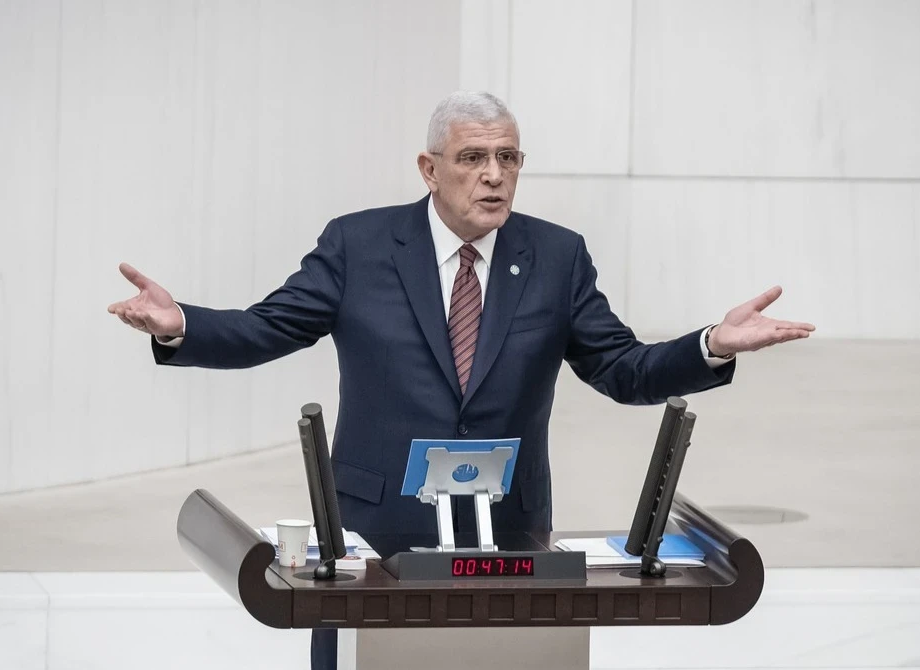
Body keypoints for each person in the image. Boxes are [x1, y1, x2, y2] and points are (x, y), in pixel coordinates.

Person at [108, 91, 814, 668]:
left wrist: (709, 345)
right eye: (473, 158)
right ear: (429, 168)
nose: (494, 175)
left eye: (508, 158)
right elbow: (268, 328)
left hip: (510, 533)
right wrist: (181, 325)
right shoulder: (358, 245)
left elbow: (622, 369)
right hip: (376, 532)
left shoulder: (557, 257)